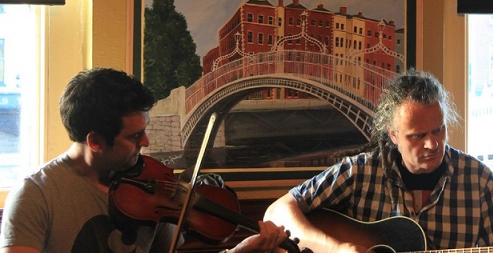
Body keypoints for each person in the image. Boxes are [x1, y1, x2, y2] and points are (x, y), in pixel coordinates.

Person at [0, 67, 288, 253]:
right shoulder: (35, 196)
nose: (146, 143)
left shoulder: (155, 191)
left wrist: (242, 251)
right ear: (95, 141)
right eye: (134, 136)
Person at [265, 68, 493, 253]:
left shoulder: (479, 180)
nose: (432, 143)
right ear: (393, 134)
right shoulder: (360, 171)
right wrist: (337, 248)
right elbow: (277, 212)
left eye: (439, 129)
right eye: (417, 135)